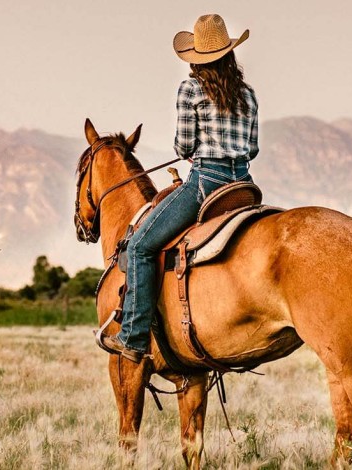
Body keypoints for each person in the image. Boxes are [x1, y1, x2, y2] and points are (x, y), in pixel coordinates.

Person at [99, 14, 259, 363]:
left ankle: (134, 336)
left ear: (197, 59)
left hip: (206, 183)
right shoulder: (248, 94)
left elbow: (184, 147)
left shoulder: (191, 90)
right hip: (244, 185)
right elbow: (252, 148)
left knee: (141, 245)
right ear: (230, 54)